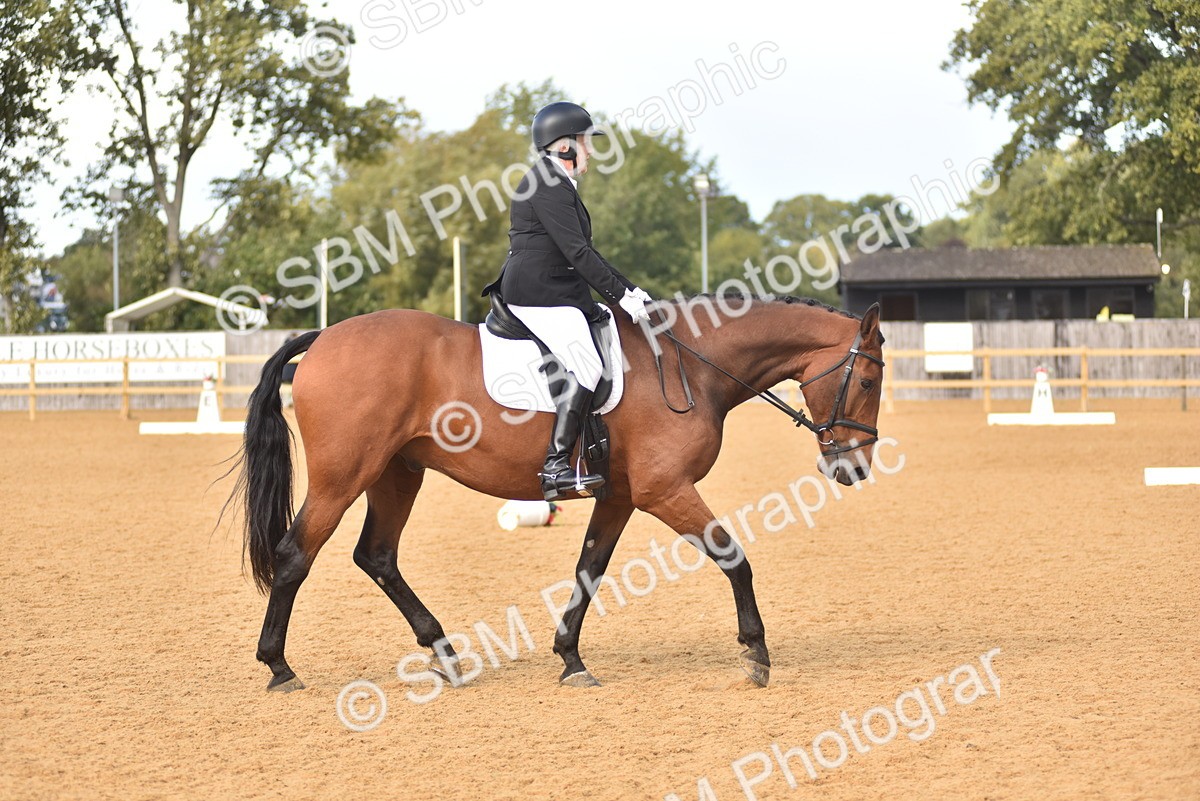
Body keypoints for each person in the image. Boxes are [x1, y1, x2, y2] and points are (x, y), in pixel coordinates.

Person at [482, 101, 652, 501]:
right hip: (538, 293)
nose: (589, 150)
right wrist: (619, 296)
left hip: (556, 289)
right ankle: (556, 466)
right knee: (588, 365)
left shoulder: (556, 181)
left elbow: (586, 253)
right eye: (584, 142)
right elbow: (577, 253)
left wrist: (631, 291)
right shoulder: (546, 183)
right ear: (564, 146)